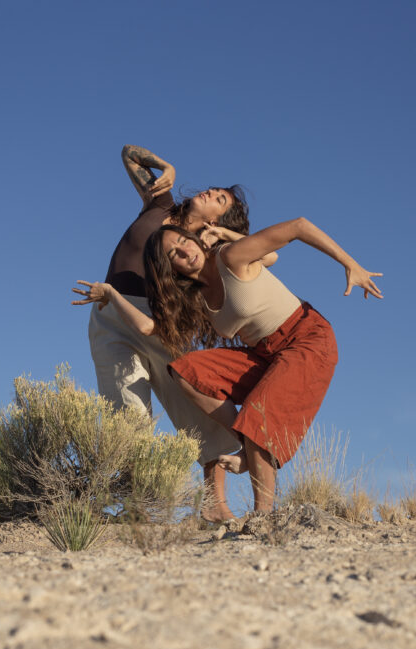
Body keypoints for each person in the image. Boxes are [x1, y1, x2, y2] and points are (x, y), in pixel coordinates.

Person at [73, 217, 382, 513]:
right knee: (187, 371)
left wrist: (350, 264)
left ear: (195, 239)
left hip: (307, 338)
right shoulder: (194, 297)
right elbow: (149, 329)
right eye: (174, 254)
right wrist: (112, 294)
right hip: (263, 353)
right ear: (170, 268)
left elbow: (298, 227)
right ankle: (245, 447)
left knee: (259, 415)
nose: (185, 251)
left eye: (184, 241)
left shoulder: (230, 257)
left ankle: (263, 518)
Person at [83, 144, 254, 522]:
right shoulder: (160, 205)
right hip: (112, 314)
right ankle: (137, 508)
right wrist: (163, 165)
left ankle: (214, 505)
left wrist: (219, 238)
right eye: (214, 190)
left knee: (197, 407)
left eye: (221, 200)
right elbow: (128, 153)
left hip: (161, 327)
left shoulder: (204, 253)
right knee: (127, 414)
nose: (211, 192)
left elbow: (253, 261)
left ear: (217, 220)